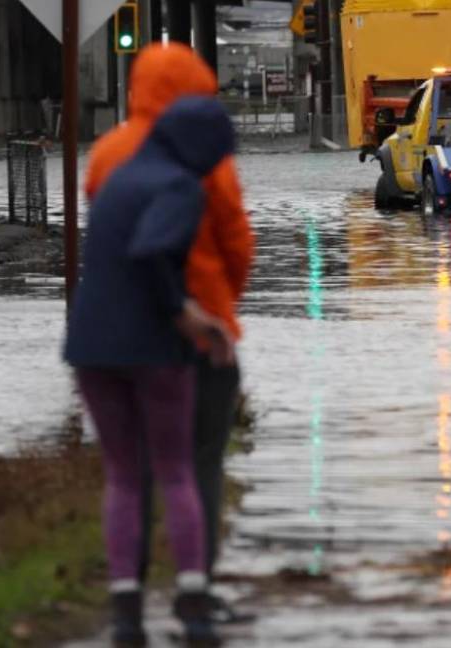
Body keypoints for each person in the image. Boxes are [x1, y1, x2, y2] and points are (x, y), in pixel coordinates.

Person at [86, 42, 255, 623]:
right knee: (198, 463)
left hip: (120, 330)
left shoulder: (107, 154)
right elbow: (237, 243)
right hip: (198, 329)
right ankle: (196, 593)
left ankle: (128, 601)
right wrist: (220, 306)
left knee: (128, 473)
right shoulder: (206, 161)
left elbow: (104, 238)